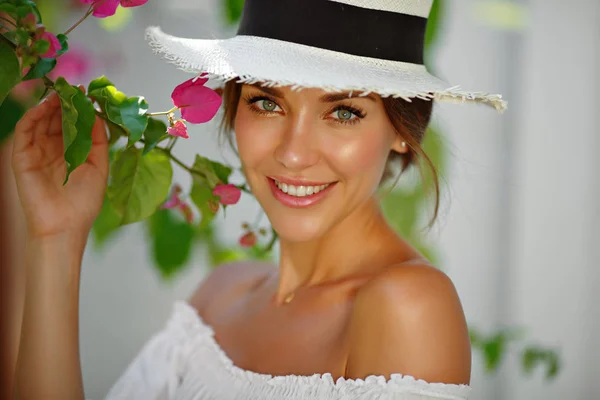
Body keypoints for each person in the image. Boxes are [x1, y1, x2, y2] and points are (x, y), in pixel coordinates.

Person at [11, 0, 505, 399]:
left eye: (345, 113)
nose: (293, 154)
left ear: (403, 129)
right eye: (267, 103)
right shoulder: (219, 298)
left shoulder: (407, 307)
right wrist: (56, 238)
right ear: (233, 107)